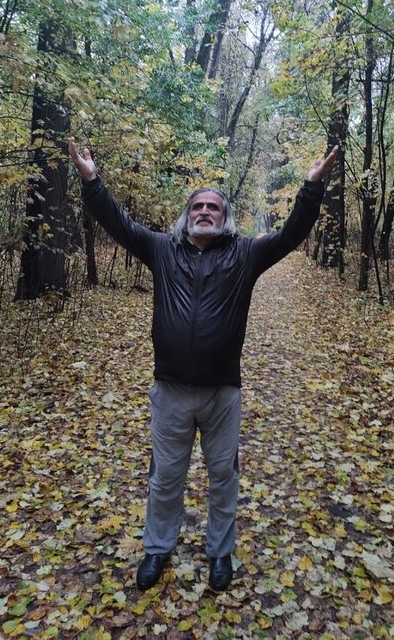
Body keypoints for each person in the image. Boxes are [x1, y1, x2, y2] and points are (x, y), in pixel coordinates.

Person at [67, 137, 339, 592]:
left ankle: (220, 554)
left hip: (221, 394)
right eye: (198, 207)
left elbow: (292, 233)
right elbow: (116, 223)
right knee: (165, 477)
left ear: (225, 216)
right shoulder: (160, 249)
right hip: (171, 391)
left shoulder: (246, 255)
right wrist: (91, 179)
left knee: (223, 479)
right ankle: (157, 549)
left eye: (214, 207)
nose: (206, 212)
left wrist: (311, 187)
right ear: (187, 215)